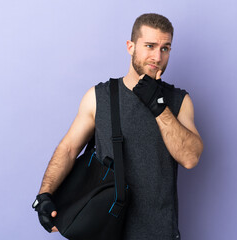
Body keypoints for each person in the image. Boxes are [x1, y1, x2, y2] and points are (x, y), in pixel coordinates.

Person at [32, 13, 204, 240]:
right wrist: (45, 194)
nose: (157, 56)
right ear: (130, 47)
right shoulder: (100, 97)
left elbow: (190, 158)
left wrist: (158, 107)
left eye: (165, 48)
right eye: (150, 46)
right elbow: (69, 148)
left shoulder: (178, 101)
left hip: (158, 232)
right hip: (103, 230)